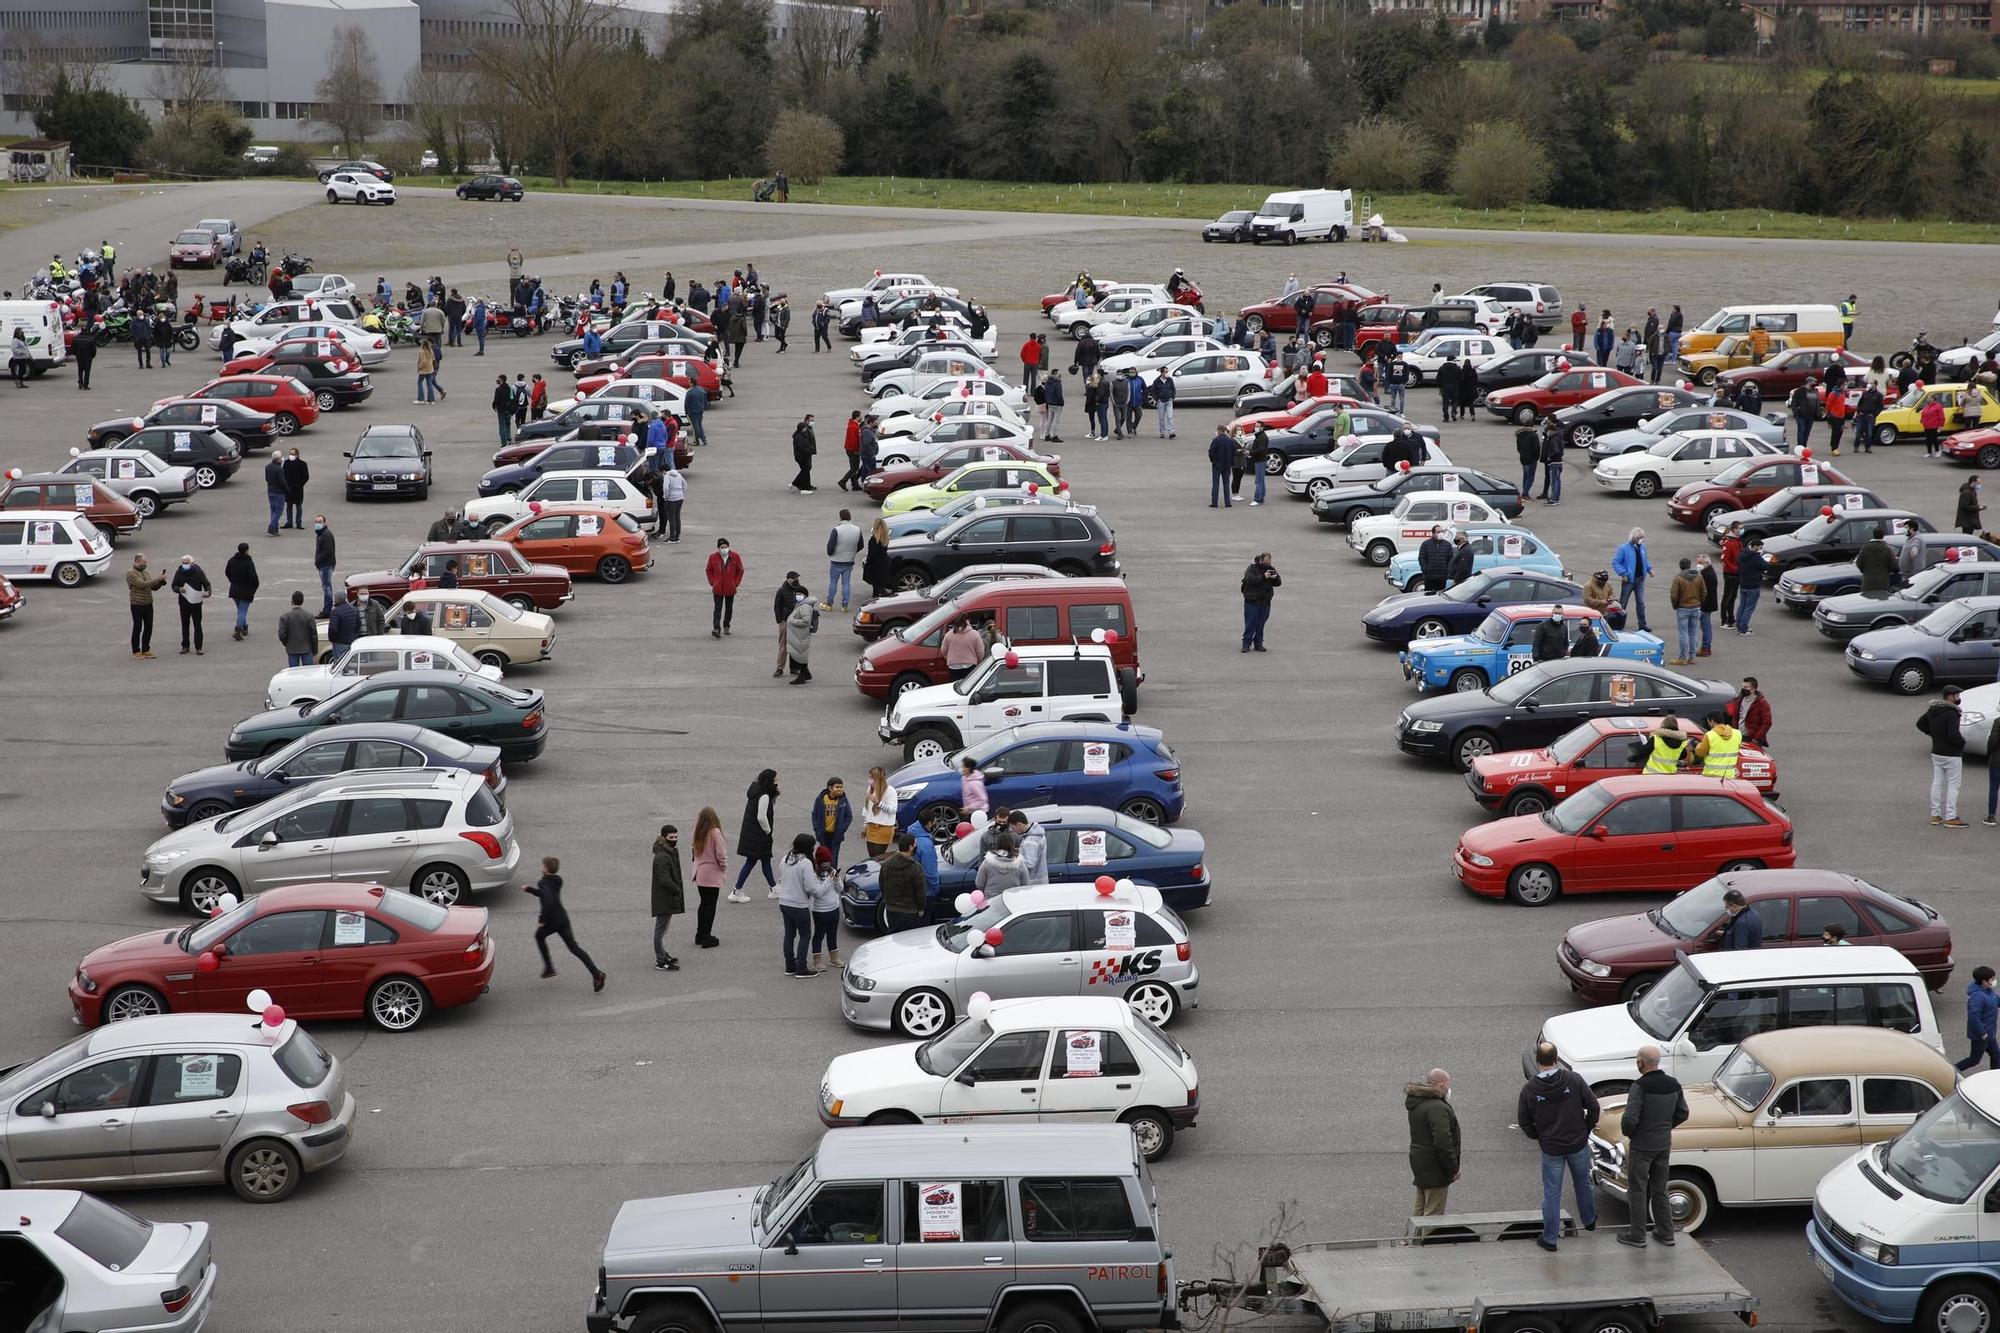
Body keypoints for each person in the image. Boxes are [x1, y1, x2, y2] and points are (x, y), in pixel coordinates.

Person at [1519, 1040, 1600, 1252]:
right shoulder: (1573, 1080)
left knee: (1552, 1193)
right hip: (1577, 1143)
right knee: (1583, 1184)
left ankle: (1550, 1238)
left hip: (1551, 1148)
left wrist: (1538, 1136)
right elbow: (1593, 1106)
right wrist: (1586, 1130)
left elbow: (1524, 1121)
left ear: (1538, 1062)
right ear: (1556, 1060)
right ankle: (1589, 1220)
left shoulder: (1530, 1089)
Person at [1617, 1046, 1689, 1249]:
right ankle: (1666, 1233)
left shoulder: (1640, 1086)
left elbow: (1630, 1119)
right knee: (1660, 1189)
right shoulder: (1673, 1085)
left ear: (1641, 1062)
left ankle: (1637, 1234)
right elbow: (1683, 1113)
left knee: (1638, 1190)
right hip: (1663, 1144)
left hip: (1642, 1146)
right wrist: (1666, 1127)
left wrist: (1631, 1133)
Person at [525, 855, 605, 991]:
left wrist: (541, 920)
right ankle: (597, 973)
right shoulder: (557, 880)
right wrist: (530, 890)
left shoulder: (543, 883)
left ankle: (549, 968)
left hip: (551, 922)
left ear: (545, 868)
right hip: (563, 919)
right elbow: (547, 894)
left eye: (543, 865)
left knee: (539, 937)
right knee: (574, 948)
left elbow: (548, 900)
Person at [1405, 1068, 1460, 1217]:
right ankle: (1426, 1239)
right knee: (1433, 1213)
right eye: (1448, 1084)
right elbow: (1443, 1142)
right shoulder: (1437, 1108)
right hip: (1435, 1166)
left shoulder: (1418, 1102)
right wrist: (1453, 1168)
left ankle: (1410, 1239)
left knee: (1421, 1207)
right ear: (1442, 1085)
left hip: (1420, 1162)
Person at [1918, 686, 1968, 828]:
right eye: (1956, 695)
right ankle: (1951, 817)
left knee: (1937, 783)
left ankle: (1935, 815)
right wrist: (1962, 743)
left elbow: (1920, 723)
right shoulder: (1952, 713)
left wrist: (1934, 734)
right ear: (1950, 697)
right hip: (1952, 754)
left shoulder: (1933, 709)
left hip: (1937, 751)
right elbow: (1953, 735)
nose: (1958, 698)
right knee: (1954, 785)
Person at [776, 834, 819, 978]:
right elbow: (811, 887)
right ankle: (801, 967)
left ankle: (790, 966)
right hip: (799, 904)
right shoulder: (805, 863)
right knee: (805, 935)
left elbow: (781, 875)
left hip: (784, 902)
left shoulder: (786, 858)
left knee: (789, 934)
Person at [645, 824, 685, 972]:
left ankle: (662, 954)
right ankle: (660, 961)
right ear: (664, 837)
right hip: (664, 898)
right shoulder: (662, 856)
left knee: (663, 929)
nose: (674, 840)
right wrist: (677, 890)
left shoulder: (667, 852)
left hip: (666, 897)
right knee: (660, 931)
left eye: (676, 837)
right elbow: (664, 880)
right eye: (671, 837)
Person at [734, 770, 779, 900]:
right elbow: (761, 817)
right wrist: (768, 831)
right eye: (775, 780)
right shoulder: (764, 796)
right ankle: (737, 891)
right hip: (759, 835)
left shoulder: (756, 791)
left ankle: (773, 887)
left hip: (752, 833)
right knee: (752, 861)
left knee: (765, 860)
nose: (777, 782)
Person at [879, 833, 928, 932]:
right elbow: (920, 892)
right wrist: (921, 909)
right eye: (915, 844)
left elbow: (882, 885)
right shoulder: (916, 868)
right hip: (910, 911)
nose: (916, 846)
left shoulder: (886, 864)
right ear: (910, 847)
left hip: (891, 909)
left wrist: (887, 900)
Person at [807, 845, 843, 971]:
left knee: (832, 933)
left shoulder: (832, 871)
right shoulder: (814, 875)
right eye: (824, 863)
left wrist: (837, 880)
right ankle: (817, 960)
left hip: (834, 908)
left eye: (828, 863)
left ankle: (834, 957)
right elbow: (817, 893)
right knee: (819, 934)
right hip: (820, 910)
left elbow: (840, 890)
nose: (827, 866)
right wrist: (829, 881)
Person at [1958, 967, 2000, 1073]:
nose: (1994, 981)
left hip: (1989, 1033)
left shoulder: (1988, 991)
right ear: (1984, 981)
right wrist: (1982, 1032)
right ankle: (1952, 1071)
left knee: (1996, 1056)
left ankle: (1995, 1077)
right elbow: (1973, 1016)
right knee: (1974, 1059)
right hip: (1982, 1035)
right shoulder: (1977, 996)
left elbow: (1995, 1000)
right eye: (1992, 979)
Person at [126, 554, 167, 659]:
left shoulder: (145, 573)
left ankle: (145, 649)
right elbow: (142, 585)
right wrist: (158, 578)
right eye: (143, 563)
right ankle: (136, 651)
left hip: (148, 604)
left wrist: (161, 582)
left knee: (149, 627)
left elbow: (153, 587)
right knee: (137, 627)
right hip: (137, 604)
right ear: (137, 562)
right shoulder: (131, 573)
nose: (145, 565)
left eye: (146, 563)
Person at [1613, 529, 1653, 632]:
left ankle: (1642, 624)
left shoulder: (1642, 547)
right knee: (1623, 603)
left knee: (1641, 603)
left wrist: (1649, 569)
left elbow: (1645, 560)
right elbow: (1615, 562)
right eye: (1639, 538)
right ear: (1634, 538)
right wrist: (1623, 573)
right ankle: (1618, 625)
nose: (1641, 540)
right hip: (1629, 580)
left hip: (1640, 579)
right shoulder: (1623, 549)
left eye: (1642, 538)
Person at [1241, 552, 1280, 653]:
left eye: (1269, 562)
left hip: (1265, 602)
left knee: (1261, 624)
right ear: (1261, 560)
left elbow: (1278, 582)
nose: (1268, 564)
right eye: (1266, 562)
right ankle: (1246, 644)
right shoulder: (1252, 569)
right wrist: (1263, 577)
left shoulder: (1271, 568)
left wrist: (1274, 577)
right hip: (1252, 601)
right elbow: (1250, 580)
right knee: (1250, 623)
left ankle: (1258, 643)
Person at [824, 510, 862, 611]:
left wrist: (831, 553)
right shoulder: (857, 529)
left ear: (840, 517)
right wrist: (852, 551)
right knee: (846, 583)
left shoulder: (836, 530)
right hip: (849, 560)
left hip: (836, 560)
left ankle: (829, 604)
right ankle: (844, 605)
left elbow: (830, 546)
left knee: (833, 582)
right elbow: (861, 545)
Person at [1668, 557, 1703, 666]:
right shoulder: (1698, 576)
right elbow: (1704, 592)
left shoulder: (1678, 578)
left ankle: (1683, 657)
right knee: (1693, 633)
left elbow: (1674, 595)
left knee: (1683, 634)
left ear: (1680, 566)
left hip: (1683, 608)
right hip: (1696, 607)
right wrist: (1699, 602)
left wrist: (1676, 606)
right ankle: (1692, 657)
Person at [705, 537, 742, 639]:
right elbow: (708, 570)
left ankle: (726, 625)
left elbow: (740, 570)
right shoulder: (713, 557)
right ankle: (716, 628)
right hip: (718, 588)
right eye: (722, 547)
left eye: (726, 547)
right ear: (718, 548)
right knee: (717, 608)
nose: (724, 549)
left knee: (729, 608)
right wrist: (712, 582)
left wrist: (736, 582)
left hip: (730, 587)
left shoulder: (735, 556)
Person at [975, 831, 1032, 898]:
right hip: (1013, 899)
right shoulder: (1019, 863)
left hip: (991, 900)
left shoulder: (987, 862)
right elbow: (1025, 884)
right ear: (1012, 844)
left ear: (997, 844)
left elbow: (979, 883)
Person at [809, 777, 852, 865]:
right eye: (837, 787)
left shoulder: (843, 800)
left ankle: (833, 875)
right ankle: (822, 875)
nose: (840, 789)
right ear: (830, 788)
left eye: (841, 787)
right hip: (823, 834)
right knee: (823, 856)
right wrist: (817, 828)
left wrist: (842, 829)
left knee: (834, 857)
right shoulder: (821, 799)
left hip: (836, 834)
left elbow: (848, 816)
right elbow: (815, 814)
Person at [223, 542, 258, 641]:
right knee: (242, 610)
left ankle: (244, 626)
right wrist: (254, 587)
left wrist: (232, 581)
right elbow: (253, 577)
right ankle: (238, 630)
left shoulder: (232, 560)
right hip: (246, 589)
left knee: (240, 610)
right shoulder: (248, 562)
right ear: (247, 550)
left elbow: (227, 572)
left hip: (234, 588)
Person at [861, 768, 898, 859]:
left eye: (872, 778)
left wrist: (878, 803)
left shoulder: (890, 791)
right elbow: (867, 808)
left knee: (877, 857)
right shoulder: (870, 788)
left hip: (883, 828)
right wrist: (865, 824)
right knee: (872, 856)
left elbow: (892, 809)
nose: (870, 780)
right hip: (871, 827)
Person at [1728, 677, 1773, 748]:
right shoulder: (1739, 699)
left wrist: (1756, 739)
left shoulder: (1762, 703)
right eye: (1742, 686)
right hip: (1738, 736)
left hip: (1751, 738)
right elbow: (1735, 717)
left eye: (1745, 687)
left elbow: (1767, 723)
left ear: (1753, 689)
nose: (1743, 689)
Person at [1736, 537, 1768, 633]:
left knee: (1742, 606)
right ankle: (1743, 629)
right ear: (1756, 547)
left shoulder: (1743, 554)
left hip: (1743, 584)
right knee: (1749, 608)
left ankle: (1739, 625)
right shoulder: (1756, 557)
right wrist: (1759, 556)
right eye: (1760, 547)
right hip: (1753, 585)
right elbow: (1765, 566)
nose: (1761, 549)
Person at [278, 590, 317, 667]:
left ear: (292, 602)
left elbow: (282, 634)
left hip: (292, 649)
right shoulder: (309, 616)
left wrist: (287, 643)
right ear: (302, 601)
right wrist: (314, 650)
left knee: (293, 673)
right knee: (308, 672)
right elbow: (314, 635)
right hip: (306, 649)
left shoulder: (285, 617)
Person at [785, 592, 818, 683]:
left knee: (801, 654)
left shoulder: (805, 607)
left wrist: (792, 621)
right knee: (800, 654)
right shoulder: (801, 604)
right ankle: (806, 673)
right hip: (799, 635)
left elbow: (805, 621)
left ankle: (802, 676)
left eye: (800, 594)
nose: (797, 596)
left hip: (801, 636)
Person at [1857, 525, 1898, 596]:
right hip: (1883, 582)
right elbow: (1894, 567)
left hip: (1868, 581)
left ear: (1873, 535)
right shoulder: (1887, 549)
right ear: (1883, 536)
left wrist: (1865, 571)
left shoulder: (1865, 548)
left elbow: (1859, 563)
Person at [1416, 527, 1453, 595]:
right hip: (1429, 577)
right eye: (1438, 532)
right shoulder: (1426, 544)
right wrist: (1425, 569)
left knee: (1440, 596)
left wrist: (1447, 570)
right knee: (1428, 595)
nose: (1440, 533)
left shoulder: (1447, 545)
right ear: (1433, 533)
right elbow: (1421, 558)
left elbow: (1450, 558)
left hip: (1442, 576)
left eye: (1441, 531)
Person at [312, 515, 336, 615]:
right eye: (316, 522)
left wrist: (318, 560)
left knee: (327, 587)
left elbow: (327, 551)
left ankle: (327, 610)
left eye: (320, 522)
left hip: (326, 564)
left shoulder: (326, 535)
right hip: (324, 564)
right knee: (326, 587)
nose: (318, 524)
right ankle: (327, 608)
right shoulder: (321, 534)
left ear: (325, 523)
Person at [327, 588, 362, 656]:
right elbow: (358, 625)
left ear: (337, 599)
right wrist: (353, 636)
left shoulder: (336, 611)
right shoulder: (354, 609)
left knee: (339, 663)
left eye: (335, 597)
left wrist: (332, 639)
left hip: (339, 643)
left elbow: (333, 629)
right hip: (351, 641)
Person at [1206, 425, 1234, 509]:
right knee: (1226, 484)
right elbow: (1233, 452)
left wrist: (1213, 461)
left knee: (1215, 484)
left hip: (1217, 465)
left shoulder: (1215, 440)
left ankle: (1214, 502)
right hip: (1227, 465)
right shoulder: (1230, 441)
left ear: (1218, 430)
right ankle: (1227, 503)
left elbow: (1211, 452)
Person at [281, 448, 309, 531]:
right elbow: (283, 474)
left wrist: (300, 485)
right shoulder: (286, 463)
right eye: (290, 454)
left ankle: (298, 523)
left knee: (298, 506)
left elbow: (306, 476)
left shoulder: (302, 464)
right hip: (288, 488)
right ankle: (289, 522)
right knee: (289, 506)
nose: (291, 456)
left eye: (292, 454)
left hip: (298, 489)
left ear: (297, 455)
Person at [1538, 420, 1565, 505]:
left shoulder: (1554, 439)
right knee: (1557, 481)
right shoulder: (1559, 437)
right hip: (1559, 462)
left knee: (1554, 482)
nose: (1547, 432)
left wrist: (1550, 457)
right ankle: (1555, 497)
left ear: (1552, 430)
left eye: (1548, 431)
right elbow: (1561, 451)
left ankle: (1554, 499)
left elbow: (1556, 451)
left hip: (1554, 463)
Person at [790, 414, 817, 493]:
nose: (813, 422)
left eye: (813, 420)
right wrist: (810, 449)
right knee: (806, 470)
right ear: (806, 420)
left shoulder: (808, 428)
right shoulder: (804, 431)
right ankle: (801, 485)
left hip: (806, 454)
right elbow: (804, 445)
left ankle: (801, 484)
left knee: (806, 469)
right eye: (811, 420)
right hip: (804, 455)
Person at [959, 754, 988, 820]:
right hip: (971, 812)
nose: (961, 769)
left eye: (963, 767)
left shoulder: (975, 783)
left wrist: (969, 807)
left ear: (968, 768)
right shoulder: (964, 778)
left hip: (979, 813)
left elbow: (982, 799)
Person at [1152, 368, 1175, 439]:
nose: (1166, 373)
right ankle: (1162, 432)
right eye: (1165, 372)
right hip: (1161, 402)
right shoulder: (1156, 381)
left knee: (1169, 416)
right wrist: (1157, 399)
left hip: (1169, 401)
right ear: (1161, 373)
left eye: (1167, 372)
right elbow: (1153, 391)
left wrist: (1172, 397)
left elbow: (1173, 389)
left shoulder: (1170, 380)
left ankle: (1171, 431)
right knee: (1161, 418)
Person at [491, 374, 513, 444]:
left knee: (502, 426)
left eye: (499, 379)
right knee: (507, 424)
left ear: (502, 380)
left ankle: (503, 443)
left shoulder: (498, 389)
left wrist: (494, 406)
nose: (497, 380)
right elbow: (512, 399)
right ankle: (509, 438)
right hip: (509, 410)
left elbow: (496, 400)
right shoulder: (510, 388)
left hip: (501, 410)